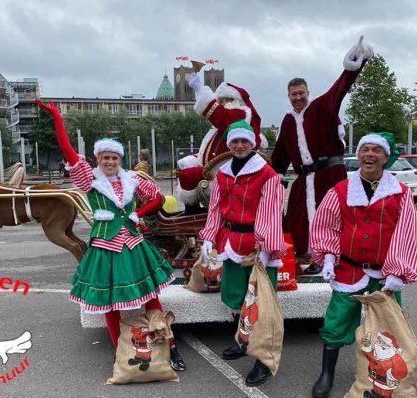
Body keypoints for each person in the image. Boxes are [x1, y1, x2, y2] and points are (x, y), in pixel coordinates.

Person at [35, 99, 186, 372]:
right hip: (105, 246)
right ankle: (120, 351)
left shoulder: (131, 179)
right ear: (98, 159)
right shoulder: (89, 180)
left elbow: (157, 198)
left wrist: (136, 215)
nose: (110, 161)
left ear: (120, 160)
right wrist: (56, 116)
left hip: (133, 245)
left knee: (151, 297)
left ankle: (169, 346)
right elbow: (68, 151)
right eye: (105, 157)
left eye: (114, 158)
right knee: (110, 302)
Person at [308, 132, 417, 398]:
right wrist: (327, 256)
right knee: (335, 322)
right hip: (349, 269)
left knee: (386, 328)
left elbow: (407, 233)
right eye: (364, 149)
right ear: (358, 154)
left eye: (376, 151)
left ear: (386, 157)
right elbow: (327, 225)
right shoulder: (340, 190)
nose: (369, 154)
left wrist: (397, 271)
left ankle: (380, 378)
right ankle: (327, 374)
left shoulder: (401, 194)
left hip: (385, 274)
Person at [271, 38, 374, 274]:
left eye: (301, 93)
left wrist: (355, 66)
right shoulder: (287, 122)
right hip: (303, 179)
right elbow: (279, 157)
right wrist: (269, 174)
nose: (298, 98)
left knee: (331, 216)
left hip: (329, 175)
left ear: (308, 93)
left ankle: (329, 256)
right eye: (293, 94)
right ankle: (297, 255)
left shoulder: (321, 107)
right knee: (295, 218)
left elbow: (340, 89)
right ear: (288, 97)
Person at [198, 120, 285, 387]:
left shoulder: (267, 174)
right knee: (235, 296)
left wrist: (267, 248)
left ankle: (262, 359)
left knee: (261, 304)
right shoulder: (223, 174)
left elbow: (271, 212)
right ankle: (243, 341)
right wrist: (209, 238)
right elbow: (215, 209)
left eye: (244, 141)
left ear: (252, 143)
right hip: (230, 241)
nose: (239, 145)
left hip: (257, 246)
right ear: (229, 144)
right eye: (234, 141)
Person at [176, 73, 266, 199]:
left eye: (226, 99)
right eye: (220, 100)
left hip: (226, 170)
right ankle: (192, 210)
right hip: (215, 167)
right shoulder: (223, 124)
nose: (222, 103)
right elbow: (213, 149)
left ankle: (193, 212)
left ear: (237, 100)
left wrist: (200, 89)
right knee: (186, 172)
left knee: (187, 176)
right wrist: (192, 159)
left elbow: (220, 115)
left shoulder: (242, 114)